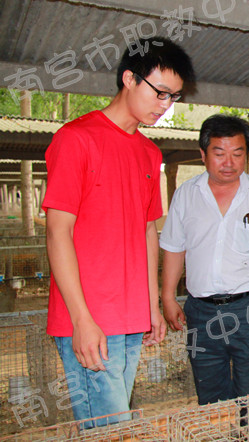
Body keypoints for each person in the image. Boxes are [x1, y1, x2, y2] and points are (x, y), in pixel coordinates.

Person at [42, 37, 195, 426]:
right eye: (160, 92)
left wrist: (150, 306)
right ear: (129, 78)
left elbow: (147, 231)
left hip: (129, 316)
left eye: (173, 97)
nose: (165, 105)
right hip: (90, 315)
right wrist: (81, 319)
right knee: (110, 428)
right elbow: (58, 232)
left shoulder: (149, 153)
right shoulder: (76, 139)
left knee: (112, 425)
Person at [159, 114, 249, 405]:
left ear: (246, 155)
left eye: (237, 153)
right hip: (201, 313)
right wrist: (167, 296)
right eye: (219, 153)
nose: (229, 162)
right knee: (210, 395)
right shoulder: (186, 195)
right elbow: (174, 248)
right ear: (203, 154)